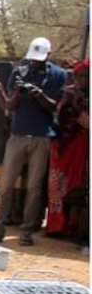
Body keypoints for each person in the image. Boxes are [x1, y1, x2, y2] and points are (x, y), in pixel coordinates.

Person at [0, 38, 66, 245]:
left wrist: (39, 94)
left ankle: (27, 231)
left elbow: (54, 107)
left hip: (41, 135)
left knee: (34, 187)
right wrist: (16, 92)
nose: (35, 63)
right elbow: (10, 107)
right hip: (18, 134)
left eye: (39, 59)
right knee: (6, 185)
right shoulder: (19, 72)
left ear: (48, 56)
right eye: (33, 59)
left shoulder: (58, 75)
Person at [46, 61, 89, 248]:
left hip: (81, 147)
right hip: (63, 145)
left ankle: (75, 226)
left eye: (86, 76)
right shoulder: (68, 94)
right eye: (80, 76)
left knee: (78, 186)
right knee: (58, 186)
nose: (83, 79)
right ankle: (58, 226)